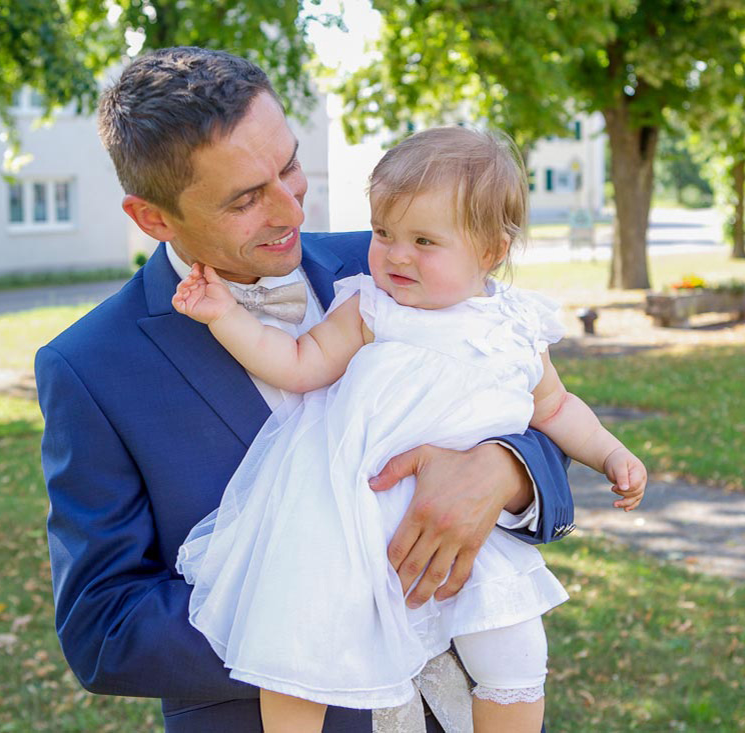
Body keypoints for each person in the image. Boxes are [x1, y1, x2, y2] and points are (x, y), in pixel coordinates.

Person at [36, 47, 583, 733]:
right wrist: (316, 609)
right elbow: (104, 630)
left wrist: (501, 474)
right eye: (245, 198)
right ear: (153, 218)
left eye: (290, 166)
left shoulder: (399, 258)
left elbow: (534, 403)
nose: (291, 207)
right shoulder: (90, 366)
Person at [170, 126, 647, 733]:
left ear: (491, 251)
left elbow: (553, 409)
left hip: (468, 542)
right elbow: (296, 365)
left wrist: (611, 454)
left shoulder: (516, 327)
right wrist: (225, 317)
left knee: (516, 654)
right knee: (298, 646)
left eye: (424, 241)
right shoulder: (371, 308)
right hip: (350, 518)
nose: (396, 255)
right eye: (383, 233)